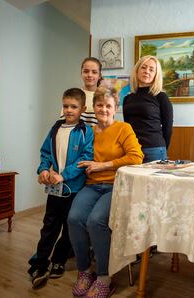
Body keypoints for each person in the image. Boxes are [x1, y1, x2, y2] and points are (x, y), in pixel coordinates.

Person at [68, 87, 144, 298]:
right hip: (92, 186)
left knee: (95, 221)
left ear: (115, 108)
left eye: (108, 106)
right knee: (74, 218)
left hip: (117, 186)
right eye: (100, 105)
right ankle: (84, 272)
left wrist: (103, 165)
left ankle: (104, 277)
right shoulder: (89, 132)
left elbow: (136, 157)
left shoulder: (123, 128)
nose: (103, 109)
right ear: (94, 108)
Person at [28, 88, 94, 288]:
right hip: (54, 191)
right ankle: (40, 263)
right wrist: (43, 170)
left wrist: (63, 175)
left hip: (74, 190)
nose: (69, 110)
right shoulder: (55, 128)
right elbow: (45, 153)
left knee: (68, 229)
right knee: (49, 227)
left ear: (82, 108)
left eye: (73, 107)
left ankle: (59, 260)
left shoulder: (85, 132)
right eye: (66, 106)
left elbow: (85, 159)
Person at [123, 55, 174, 163]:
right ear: (137, 70)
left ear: (156, 74)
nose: (147, 71)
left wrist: (163, 148)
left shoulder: (161, 97)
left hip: (154, 150)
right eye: (143, 67)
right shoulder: (127, 98)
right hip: (132, 149)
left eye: (151, 69)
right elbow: (127, 127)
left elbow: (168, 128)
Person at [61, 57, 103, 126]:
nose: (90, 75)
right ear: (81, 73)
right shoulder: (73, 96)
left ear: (99, 75)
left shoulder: (105, 98)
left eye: (94, 72)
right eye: (86, 71)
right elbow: (63, 124)